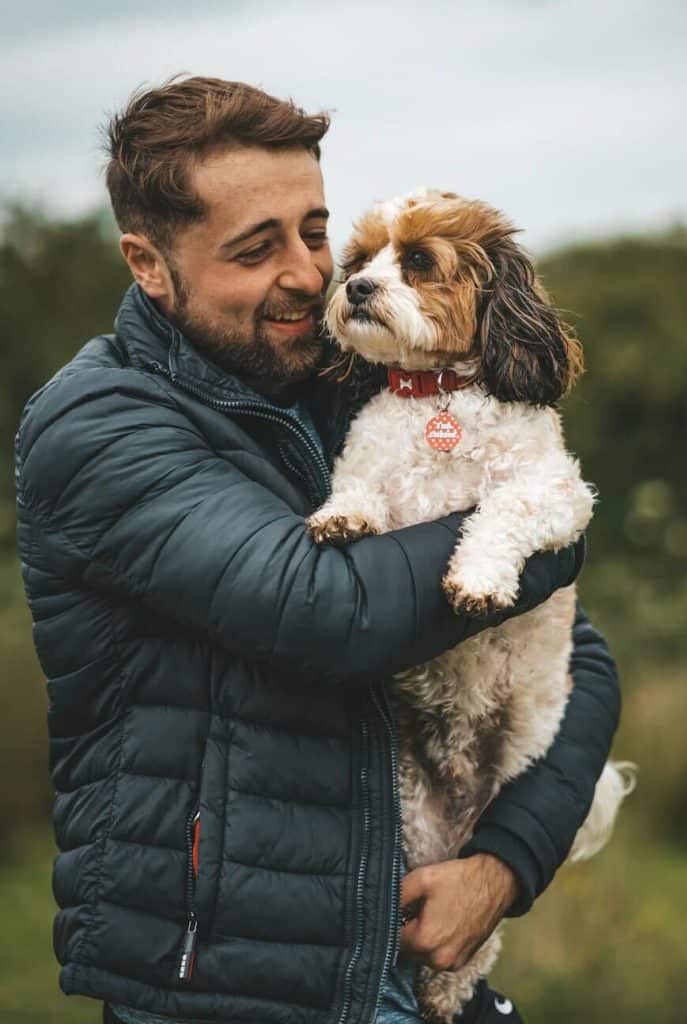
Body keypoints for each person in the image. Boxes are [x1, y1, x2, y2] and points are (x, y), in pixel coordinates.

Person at [14, 77, 621, 1024]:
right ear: (147, 262)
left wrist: (503, 864)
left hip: (403, 958)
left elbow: (579, 656)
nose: (309, 273)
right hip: (226, 986)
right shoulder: (99, 425)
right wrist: (545, 515)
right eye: (256, 249)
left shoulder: (359, 383)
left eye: (312, 231)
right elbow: (323, 613)